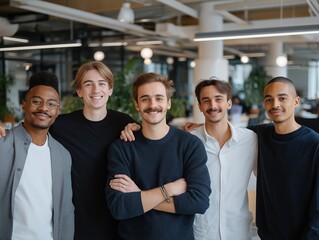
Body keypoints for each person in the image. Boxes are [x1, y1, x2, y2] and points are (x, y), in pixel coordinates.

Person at [105, 72, 211, 240]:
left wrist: (140, 194)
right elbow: (120, 207)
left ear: (168, 103)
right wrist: (169, 189)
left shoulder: (190, 145)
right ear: (137, 105)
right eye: (145, 99)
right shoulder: (121, 148)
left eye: (159, 98)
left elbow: (199, 202)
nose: (152, 105)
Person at [49, 61, 136, 239]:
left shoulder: (124, 123)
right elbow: (29, 134)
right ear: (79, 91)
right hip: (76, 220)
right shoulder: (61, 125)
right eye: (88, 84)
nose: (96, 90)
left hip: (117, 219)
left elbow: (155, 139)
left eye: (102, 83)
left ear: (110, 89)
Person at [0, 72, 74, 239]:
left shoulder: (62, 155)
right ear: (24, 105)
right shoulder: (3, 144)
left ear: (57, 111)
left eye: (51, 104)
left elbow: (66, 211)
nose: (43, 108)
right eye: (36, 101)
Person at [249, 76, 319, 239]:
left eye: (282, 98)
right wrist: (201, 127)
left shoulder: (314, 145)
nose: (275, 105)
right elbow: (230, 132)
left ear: (296, 101)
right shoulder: (261, 134)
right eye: (269, 99)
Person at [191, 78, 258, 240]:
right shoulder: (189, 141)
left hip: (239, 232)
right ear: (200, 106)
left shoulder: (250, 139)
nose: (213, 106)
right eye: (206, 101)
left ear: (229, 103)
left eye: (218, 99)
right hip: (201, 232)